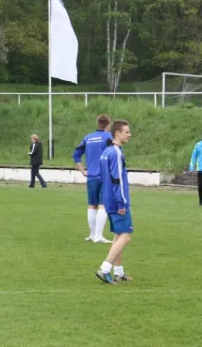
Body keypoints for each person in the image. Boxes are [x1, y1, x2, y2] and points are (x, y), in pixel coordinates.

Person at [95, 120, 134, 284]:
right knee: (125, 236)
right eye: (126, 132)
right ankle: (104, 269)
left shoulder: (106, 151)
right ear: (117, 133)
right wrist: (122, 203)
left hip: (108, 198)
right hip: (117, 201)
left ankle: (118, 272)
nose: (129, 135)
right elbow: (117, 180)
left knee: (119, 235)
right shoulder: (116, 153)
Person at [72, 115, 113, 243]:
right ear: (108, 125)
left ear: (97, 124)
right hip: (105, 176)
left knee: (92, 205)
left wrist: (82, 170)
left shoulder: (88, 138)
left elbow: (76, 154)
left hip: (91, 177)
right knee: (103, 206)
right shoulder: (109, 137)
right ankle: (98, 236)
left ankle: (92, 234)